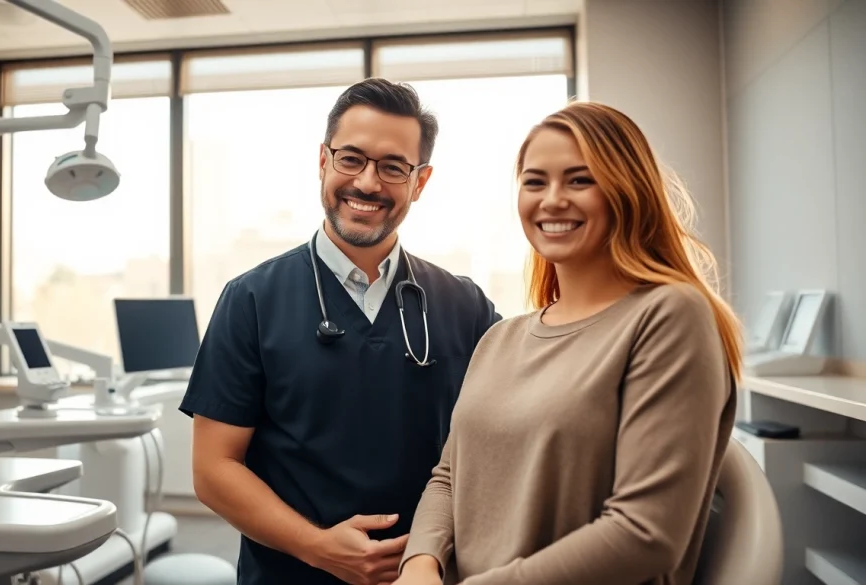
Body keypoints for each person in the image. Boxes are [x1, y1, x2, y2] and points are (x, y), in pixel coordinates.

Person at [394, 101, 742, 585]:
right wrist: (420, 563)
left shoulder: (669, 316)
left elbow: (646, 534)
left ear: (628, 191)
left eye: (580, 180)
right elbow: (449, 478)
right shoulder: (500, 339)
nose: (552, 199)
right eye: (535, 182)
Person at [180, 78, 502, 585]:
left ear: (420, 181)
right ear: (323, 162)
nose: (368, 183)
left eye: (393, 166)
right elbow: (214, 469)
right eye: (351, 159)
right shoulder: (250, 300)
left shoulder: (466, 307)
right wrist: (317, 547)